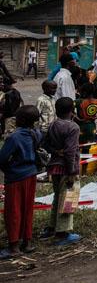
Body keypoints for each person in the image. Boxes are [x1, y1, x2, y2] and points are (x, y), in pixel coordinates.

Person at [0, 105, 41, 259]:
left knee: (13, 211)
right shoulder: (36, 134)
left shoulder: (14, 137)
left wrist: (8, 170)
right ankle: (27, 242)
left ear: (21, 120)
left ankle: (14, 246)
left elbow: (2, 159)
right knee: (27, 208)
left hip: (16, 177)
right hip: (31, 174)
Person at [46, 97, 81, 246]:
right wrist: (72, 171)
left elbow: (46, 144)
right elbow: (70, 151)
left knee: (57, 197)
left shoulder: (53, 124)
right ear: (72, 111)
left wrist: (55, 151)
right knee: (68, 199)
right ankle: (62, 234)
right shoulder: (73, 127)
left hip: (54, 166)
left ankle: (52, 227)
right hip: (67, 168)